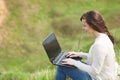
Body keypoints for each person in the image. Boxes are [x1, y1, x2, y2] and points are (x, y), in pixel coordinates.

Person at [55, 10, 118, 80]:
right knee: (63, 64)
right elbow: (96, 57)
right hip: (100, 74)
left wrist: (75, 63)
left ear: (92, 25)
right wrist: (79, 54)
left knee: (61, 66)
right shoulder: (104, 37)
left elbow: (95, 71)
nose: (83, 28)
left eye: (85, 26)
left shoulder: (100, 45)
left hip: (96, 78)